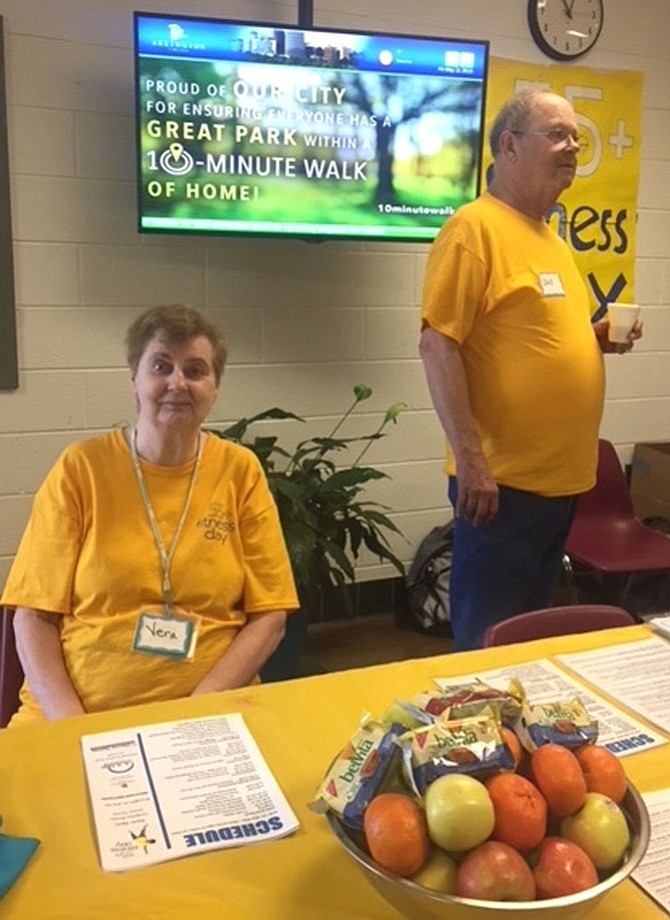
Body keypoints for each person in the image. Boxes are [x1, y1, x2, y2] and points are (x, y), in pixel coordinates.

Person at [1, 304, 299, 725]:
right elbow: (31, 616)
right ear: (134, 382)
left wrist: (195, 713)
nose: (178, 382)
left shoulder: (240, 471)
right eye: (161, 366)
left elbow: (271, 618)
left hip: (209, 705)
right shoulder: (80, 469)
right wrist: (74, 725)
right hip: (72, 711)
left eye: (195, 370)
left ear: (214, 389)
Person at [419, 89, 642, 651]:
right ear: (509, 146)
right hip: (502, 486)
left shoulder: (549, 236)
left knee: (528, 641)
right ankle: (483, 734)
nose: (572, 147)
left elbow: (534, 339)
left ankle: (523, 738)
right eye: (557, 134)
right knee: (488, 643)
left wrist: (592, 342)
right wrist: (471, 461)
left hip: (561, 484)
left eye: (576, 137)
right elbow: (437, 344)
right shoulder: (474, 229)